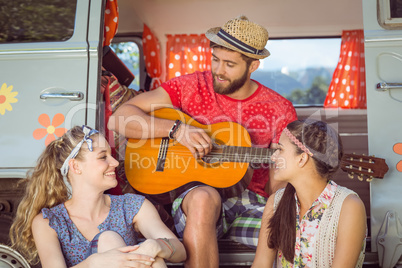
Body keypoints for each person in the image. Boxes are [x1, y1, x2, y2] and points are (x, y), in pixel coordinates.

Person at [108, 15, 297, 267]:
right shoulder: (190, 86)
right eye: (215, 59)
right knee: (203, 199)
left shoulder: (280, 109)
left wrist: (283, 179)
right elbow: (119, 119)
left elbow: (279, 186)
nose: (218, 70)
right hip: (196, 198)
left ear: (253, 66)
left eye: (229, 64)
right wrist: (176, 130)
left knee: (300, 237)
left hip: (254, 204)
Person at [9, 125, 186, 268]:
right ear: (76, 167)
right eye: (103, 157)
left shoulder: (132, 205)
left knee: (154, 257)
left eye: (112, 156)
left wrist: (157, 246)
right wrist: (93, 263)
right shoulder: (49, 221)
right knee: (108, 239)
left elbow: (180, 251)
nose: (115, 163)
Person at [252, 119, 367, 268]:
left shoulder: (349, 206)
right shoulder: (275, 202)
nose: (273, 157)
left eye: (280, 149)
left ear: (302, 158)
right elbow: (261, 264)